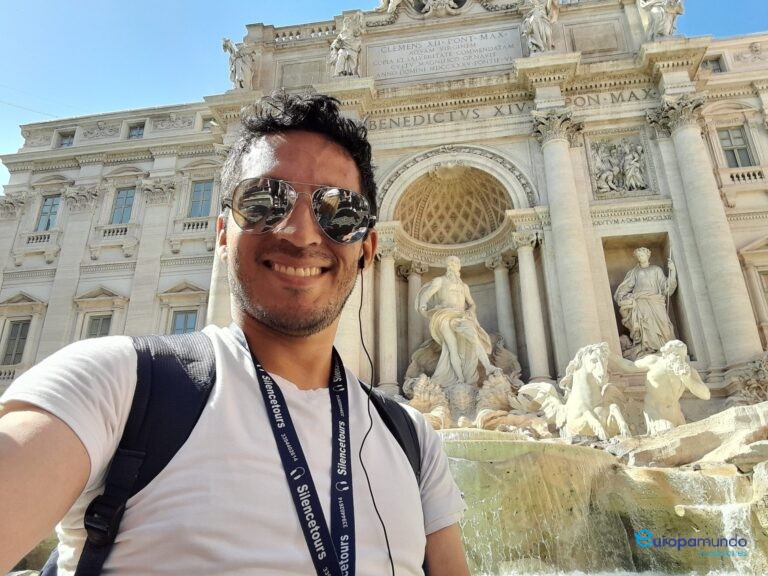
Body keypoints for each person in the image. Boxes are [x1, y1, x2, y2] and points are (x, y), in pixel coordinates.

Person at [0, 92, 469, 576]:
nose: (302, 233)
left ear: (367, 248)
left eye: (339, 211)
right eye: (264, 202)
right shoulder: (115, 384)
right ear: (222, 232)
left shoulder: (413, 437)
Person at [417, 256, 501, 387]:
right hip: (444, 315)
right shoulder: (440, 281)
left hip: (461, 316)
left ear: (459, 266)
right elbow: (426, 294)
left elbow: (472, 304)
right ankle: (460, 378)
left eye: (456, 263)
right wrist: (423, 306)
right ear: (447, 266)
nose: (454, 265)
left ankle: (488, 366)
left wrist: (470, 311)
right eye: (451, 263)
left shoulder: (464, 286)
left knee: (474, 337)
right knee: (452, 347)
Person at [635, 340, 710, 435]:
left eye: (682, 356)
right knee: (668, 435)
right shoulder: (653, 362)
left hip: (676, 414)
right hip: (656, 412)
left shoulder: (688, 371)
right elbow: (629, 365)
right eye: (676, 355)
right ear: (667, 354)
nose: (680, 359)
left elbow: (706, 395)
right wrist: (615, 358)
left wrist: (688, 380)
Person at [613, 247, 677, 360]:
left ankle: (665, 347)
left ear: (648, 255)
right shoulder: (634, 272)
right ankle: (648, 348)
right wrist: (623, 297)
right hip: (640, 301)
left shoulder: (656, 270)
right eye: (638, 256)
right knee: (646, 324)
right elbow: (625, 287)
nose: (640, 258)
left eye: (642, 255)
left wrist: (673, 271)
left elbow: (665, 286)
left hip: (655, 300)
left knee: (664, 325)